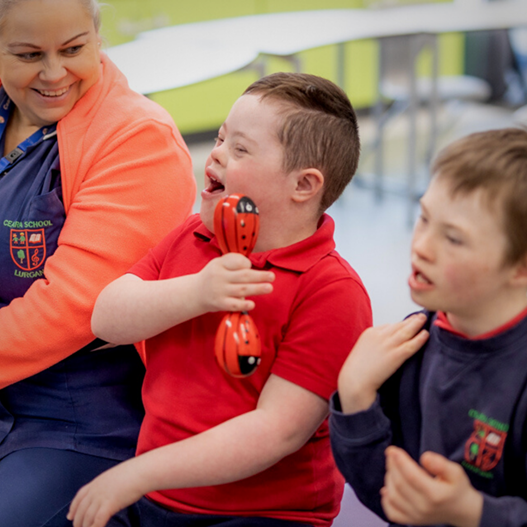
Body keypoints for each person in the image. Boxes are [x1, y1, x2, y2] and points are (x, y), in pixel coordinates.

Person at [66, 71, 372, 527]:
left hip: (268, 514)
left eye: (241, 149)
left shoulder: (331, 290)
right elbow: (107, 319)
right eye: (221, 137)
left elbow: (277, 430)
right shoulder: (193, 235)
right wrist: (197, 292)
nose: (217, 154)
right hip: (158, 495)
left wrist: (136, 474)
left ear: (304, 186)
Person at [0, 0, 196, 525]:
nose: (54, 73)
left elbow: (69, 309)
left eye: (72, 49)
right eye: (27, 54)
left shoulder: (137, 140)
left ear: (98, 37)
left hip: (79, 419)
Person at [329, 127, 527, 527]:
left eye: (453, 239)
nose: (420, 246)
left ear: (520, 267)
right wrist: (355, 396)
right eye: (423, 218)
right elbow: (383, 494)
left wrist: (474, 514)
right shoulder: (412, 341)